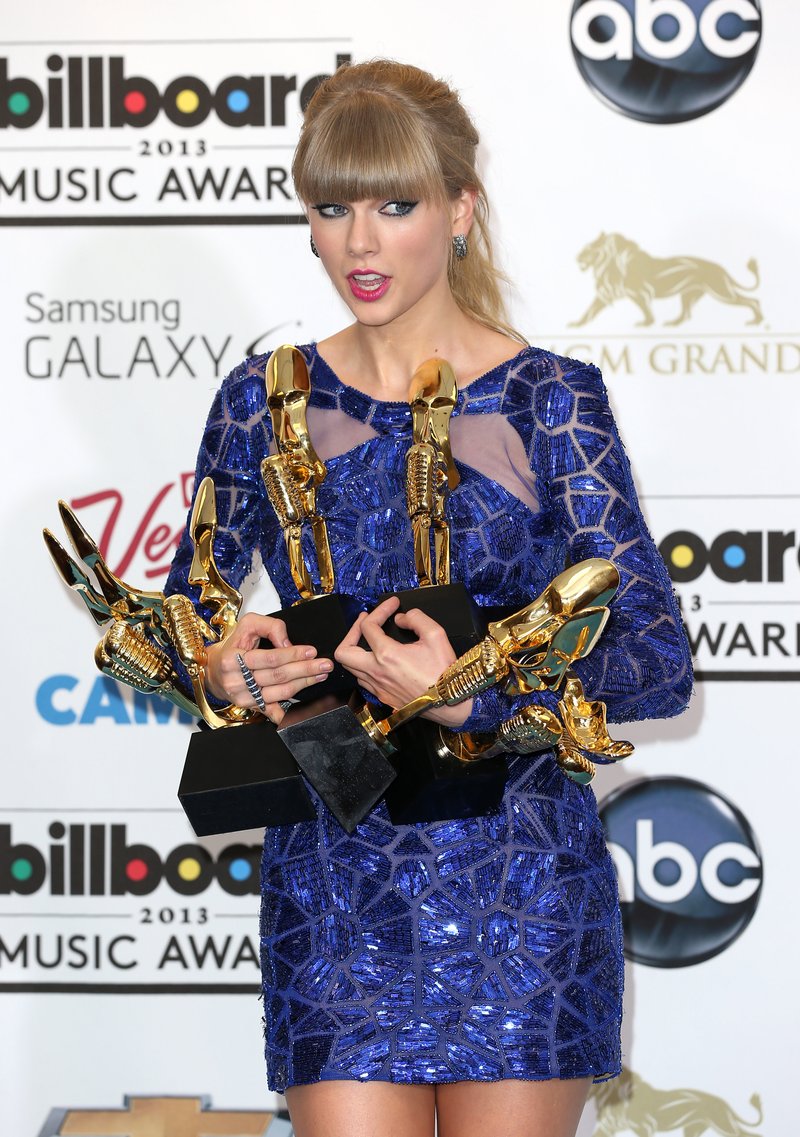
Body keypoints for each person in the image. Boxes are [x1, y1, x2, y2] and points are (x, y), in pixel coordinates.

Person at [165, 59, 693, 1137]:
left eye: (394, 205)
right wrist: (224, 663)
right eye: (333, 208)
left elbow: (650, 656)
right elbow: (190, 617)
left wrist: (474, 691)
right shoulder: (259, 405)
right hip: (333, 880)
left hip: (518, 882)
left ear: (458, 209)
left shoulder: (549, 400)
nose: (360, 244)